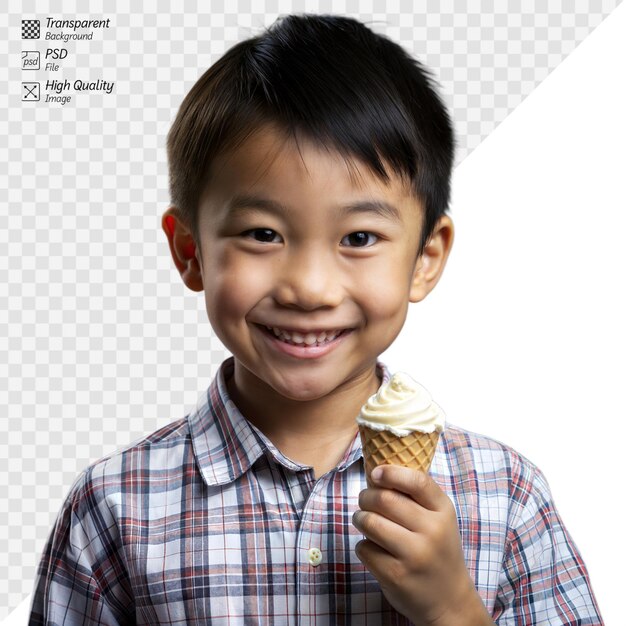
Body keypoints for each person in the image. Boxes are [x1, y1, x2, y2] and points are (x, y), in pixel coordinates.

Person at [29, 13, 603, 626]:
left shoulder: (506, 498)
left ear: (424, 258)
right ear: (190, 251)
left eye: (358, 236)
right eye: (262, 234)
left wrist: (453, 609)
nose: (309, 287)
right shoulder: (115, 507)